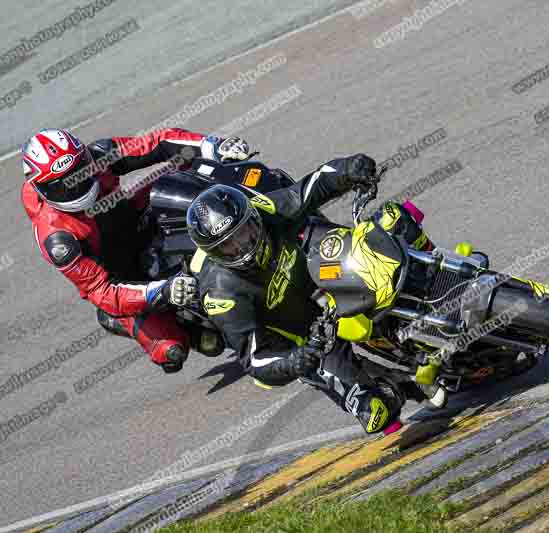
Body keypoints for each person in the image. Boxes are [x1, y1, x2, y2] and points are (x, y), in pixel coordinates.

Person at [185, 154, 438, 434]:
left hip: (324, 270)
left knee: (394, 219)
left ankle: (437, 269)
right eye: (229, 246)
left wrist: (348, 169)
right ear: (214, 254)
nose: (243, 246)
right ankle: (398, 384)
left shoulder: (264, 208)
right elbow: (255, 361)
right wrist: (295, 360)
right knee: (375, 410)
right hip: (310, 337)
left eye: (245, 232)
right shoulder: (221, 294)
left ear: (252, 217)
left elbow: (309, 188)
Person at [21, 127, 250, 373]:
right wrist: (163, 291)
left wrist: (212, 146)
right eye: (63, 186)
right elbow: (102, 290)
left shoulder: (100, 155)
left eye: (79, 173)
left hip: (133, 221)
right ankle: (123, 321)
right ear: (42, 190)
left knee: (181, 175)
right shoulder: (58, 240)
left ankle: (252, 212)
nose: (75, 186)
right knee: (175, 349)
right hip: (121, 278)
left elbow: (157, 142)